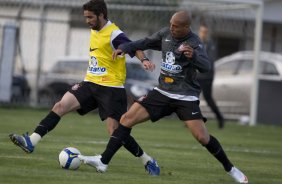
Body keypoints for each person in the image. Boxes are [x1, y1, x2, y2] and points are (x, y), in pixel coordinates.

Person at [78, 11, 248, 183]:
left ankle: (231, 169)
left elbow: (206, 66)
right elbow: (145, 42)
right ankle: (103, 161)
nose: (171, 28)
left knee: (202, 137)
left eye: (176, 26)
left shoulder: (194, 43)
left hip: (185, 96)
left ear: (186, 28)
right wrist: (124, 47)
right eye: (171, 24)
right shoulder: (166, 34)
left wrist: (194, 56)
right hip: (162, 92)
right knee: (126, 118)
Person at [9, 0, 160, 176]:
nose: (87, 21)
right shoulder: (94, 29)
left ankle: (147, 159)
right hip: (90, 83)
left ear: (101, 15)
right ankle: (31, 142)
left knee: (116, 132)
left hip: (111, 88)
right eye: (85, 17)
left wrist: (144, 60)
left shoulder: (114, 34)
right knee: (60, 106)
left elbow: (134, 47)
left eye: (90, 17)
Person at [197, 23, 225, 129]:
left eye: (205, 32)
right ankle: (194, 120)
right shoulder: (195, 44)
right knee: (192, 98)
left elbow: (209, 60)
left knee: (208, 99)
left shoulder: (211, 45)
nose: (203, 34)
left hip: (207, 76)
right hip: (196, 76)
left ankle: (220, 118)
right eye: (202, 32)